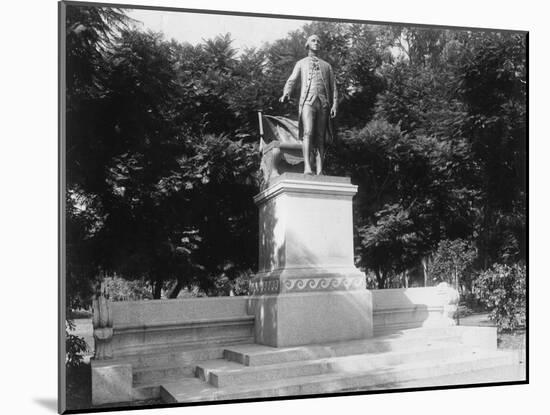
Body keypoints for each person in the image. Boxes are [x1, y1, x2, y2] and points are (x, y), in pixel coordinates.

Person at [279, 34, 338, 175]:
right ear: (307, 44)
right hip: (307, 102)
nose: (316, 43)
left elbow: (334, 87)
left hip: (323, 103)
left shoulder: (327, 66)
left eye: (318, 41)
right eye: (313, 40)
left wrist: (335, 104)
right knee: (308, 132)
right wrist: (286, 92)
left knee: (320, 137)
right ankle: (307, 167)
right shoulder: (301, 63)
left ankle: (320, 170)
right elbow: (292, 80)